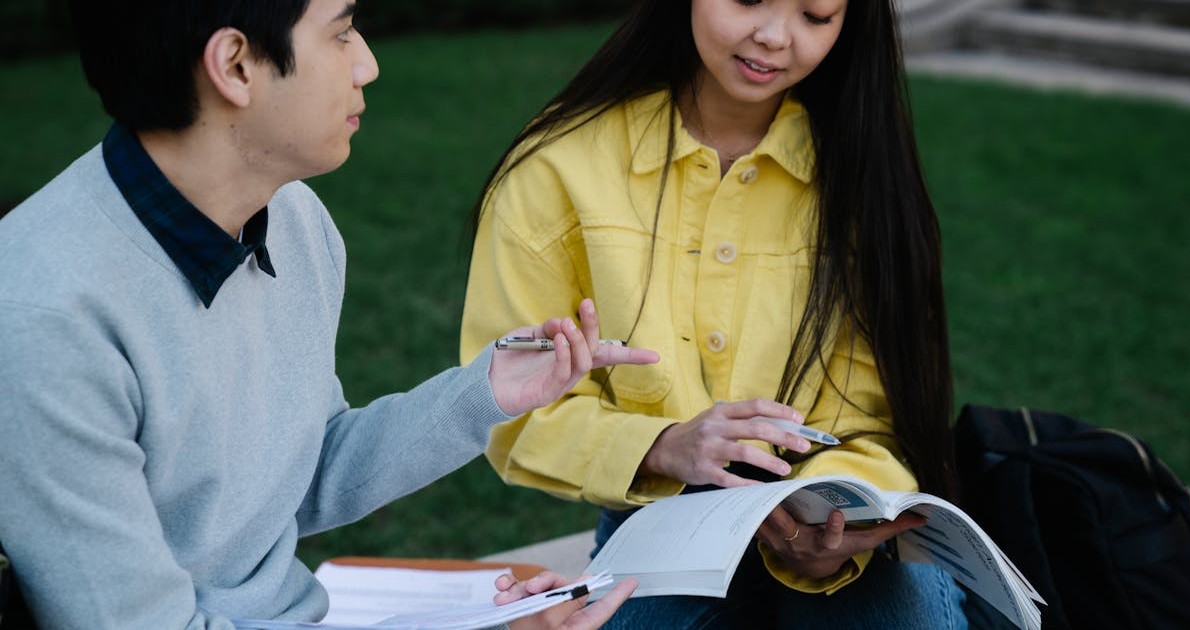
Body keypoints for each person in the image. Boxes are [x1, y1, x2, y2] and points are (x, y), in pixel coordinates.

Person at [0, 1, 655, 628]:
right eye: (341, 32)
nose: (367, 63)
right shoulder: (46, 321)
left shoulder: (291, 218)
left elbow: (296, 474)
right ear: (234, 65)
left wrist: (483, 393)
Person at [460, 0, 967, 627]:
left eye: (816, 14)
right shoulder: (559, 166)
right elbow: (506, 407)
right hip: (658, 526)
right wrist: (662, 446)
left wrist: (831, 522)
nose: (775, 36)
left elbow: (877, 417)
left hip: (834, 536)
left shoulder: (865, 178)